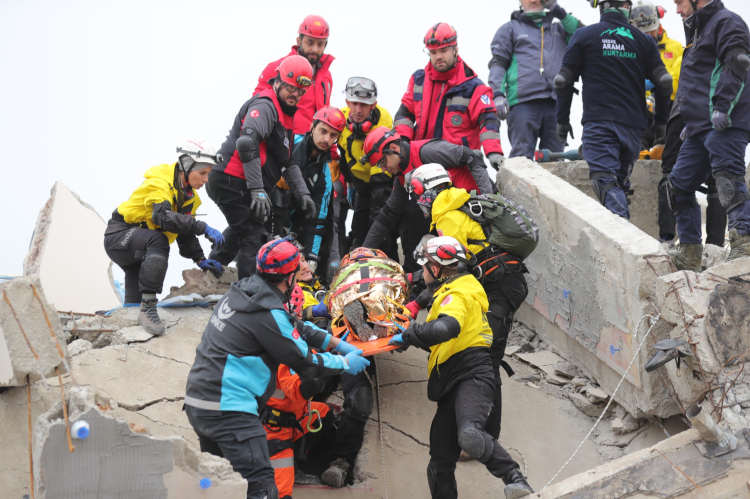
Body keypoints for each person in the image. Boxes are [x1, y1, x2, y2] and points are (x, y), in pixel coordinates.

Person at [185, 237, 369, 499]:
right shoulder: (266, 311)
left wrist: (338, 344)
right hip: (229, 410)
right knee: (262, 488)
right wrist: (345, 362)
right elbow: (307, 363)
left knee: (218, 484)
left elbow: (297, 327)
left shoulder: (243, 292)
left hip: (198, 403)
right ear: (290, 276)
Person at [388, 236, 532, 499]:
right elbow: (446, 342)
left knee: (470, 434)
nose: (423, 272)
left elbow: (446, 328)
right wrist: (410, 338)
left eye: (426, 266)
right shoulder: (457, 290)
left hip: (472, 376)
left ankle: (516, 480)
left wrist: (411, 332)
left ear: (438, 269)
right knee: (439, 463)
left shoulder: (456, 294)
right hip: (451, 381)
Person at [404, 164, 529, 445]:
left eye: (416, 191)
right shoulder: (456, 205)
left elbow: (450, 271)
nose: (416, 199)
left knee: (487, 361)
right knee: (482, 357)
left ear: (428, 189)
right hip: (498, 284)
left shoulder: (449, 218)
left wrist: (417, 302)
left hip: (501, 288)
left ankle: (485, 435)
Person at [555, 0, 672, 219]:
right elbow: (664, 81)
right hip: (633, 131)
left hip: (599, 125)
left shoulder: (584, 36)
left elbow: (562, 81)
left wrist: (562, 120)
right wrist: (660, 123)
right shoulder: (644, 41)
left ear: (600, 6)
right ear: (628, 7)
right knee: (618, 184)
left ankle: (624, 239)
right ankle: (624, 238)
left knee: (605, 182)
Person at [207, 55, 318, 279]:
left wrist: (303, 194)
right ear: (277, 81)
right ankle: (249, 296)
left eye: (300, 90)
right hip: (232, 178)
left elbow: (288, 162)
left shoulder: (286, 116)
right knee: (253, 236)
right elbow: (247, 142)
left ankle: (211, 269)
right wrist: (257, 188)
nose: (295, 94)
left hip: (240, 181)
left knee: (248, 226)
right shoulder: (266, 105)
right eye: (290, 87)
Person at [104, 139, 226, 335]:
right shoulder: (159, 182)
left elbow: (184, 231)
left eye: (208, 174)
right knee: (158, 240)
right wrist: (202, 227)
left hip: (139, 251)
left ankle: (131, 316)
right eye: (202, 173)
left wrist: (200, 259)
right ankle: (150, 308)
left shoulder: (190, 198)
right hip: (120, 236)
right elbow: (164, 218)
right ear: (186, 167)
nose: (206, 180)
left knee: (133, 307)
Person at [667, 0, 750, 270]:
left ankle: (743, 246)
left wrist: (723, 107)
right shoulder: (698, 30)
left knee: (728, 180)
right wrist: (688, 122)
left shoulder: (726, 21)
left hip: (726, 120)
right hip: (699, 127)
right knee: (677, 186)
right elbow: (698, 79)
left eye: (679, 2)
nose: (677, 10)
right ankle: (690, 252)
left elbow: (737, 63)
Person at [361, 127, 495, 272]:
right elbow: (387, 215)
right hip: (450, 222)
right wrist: (363, 253)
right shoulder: (402, 178)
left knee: (414, 217)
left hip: (473, 212)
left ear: (394, 147)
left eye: (382, 162)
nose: (383, 169)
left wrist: (487, 201)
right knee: (410, 219)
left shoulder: (426, 152)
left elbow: (472, 156)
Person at [394, 23, 505, 169]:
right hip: (423, 168)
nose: (438, 56)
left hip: (460, 170)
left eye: (443, 50)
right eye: (433, 52)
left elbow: (488, 121)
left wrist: (494, 153)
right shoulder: (418, 81)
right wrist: (400, 145)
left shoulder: (475, 87)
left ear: (455, 50)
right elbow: (404, 115)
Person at [489, 0, 584, 159]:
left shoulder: (559, 28)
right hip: (522, 104)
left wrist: (559, 11)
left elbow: (584, 36)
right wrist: (497, 94)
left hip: (557, 103)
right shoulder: (510, 29)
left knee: (555, 162)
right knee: (521, 160)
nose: (533, 0)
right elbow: (498, 63)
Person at [282, 107, 346, 277]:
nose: (326, 139)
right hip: (269, 209)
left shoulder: (326, 174)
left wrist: (311, 260)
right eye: (323, 131)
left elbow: (317, 222)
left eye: (333, 136)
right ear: (312, 127)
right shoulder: (288, 145)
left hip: (295, 221)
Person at [337, 77, 397, 256]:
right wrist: (348, 183)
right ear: (347, 101)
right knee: (358, 229)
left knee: (379, 226)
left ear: (373, 105)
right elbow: (342, 153)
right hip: (359, 183)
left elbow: (382, 171)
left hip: (382, 179)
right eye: (354, 103)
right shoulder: (340, 120)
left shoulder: (383, 121)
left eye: (363, 105)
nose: (357, 110)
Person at [255, 15, 334, 137]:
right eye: (310, 42)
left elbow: (326, 117)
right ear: (299, 41)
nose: (315, 49)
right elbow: (257, 105)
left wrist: (332, 153)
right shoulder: (277, 68)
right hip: (283, 145)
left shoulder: (326, 77)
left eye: (320, 44)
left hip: (314, 148)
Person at [629, 0, 682, 149]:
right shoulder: (630, 50)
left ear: (659, 26)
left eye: (650, 31)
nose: (648, 36)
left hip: (668, 108)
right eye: (643, 33)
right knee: (638, 149)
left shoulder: (676, 47)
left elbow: (678, 77)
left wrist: (660, 89)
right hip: (639, 110)